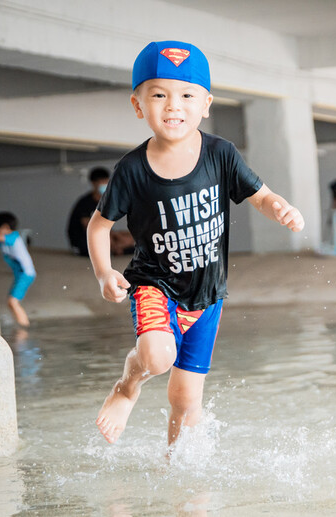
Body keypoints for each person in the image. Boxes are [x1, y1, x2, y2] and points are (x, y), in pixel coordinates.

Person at [89, 40, 305, 447]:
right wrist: (104, 273)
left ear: (206, 104)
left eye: (187, 96)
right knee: (157, 357)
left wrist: (280, 208)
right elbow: (98, 227)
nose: (174, 106)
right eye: (159, 95)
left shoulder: (221, 154)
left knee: (186, 400)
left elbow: (260, 196)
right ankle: (127, 386)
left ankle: (179, 472)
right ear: (138, 105)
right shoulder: (131, 170)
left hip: (208, 295)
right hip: (154, 284)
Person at [0, 212, 36, 327]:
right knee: (12, 302)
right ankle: (21, 324)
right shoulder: (4, 242)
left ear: (5, 227)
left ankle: (24, 327)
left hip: (26, 274)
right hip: (20, 275)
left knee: (12, 301)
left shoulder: (13, 237)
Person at [67, 167, 136, 256]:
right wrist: (112, 237)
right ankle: (116, 249)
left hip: (105, 233)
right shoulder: (85, 202)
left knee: (131, 236)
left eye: (106, 181)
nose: (105, 184)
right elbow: (89, 226)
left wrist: (117, 235)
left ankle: (116, 248)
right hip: (83, 237)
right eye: (101, 181)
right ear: (94, 183)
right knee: (105, 238)